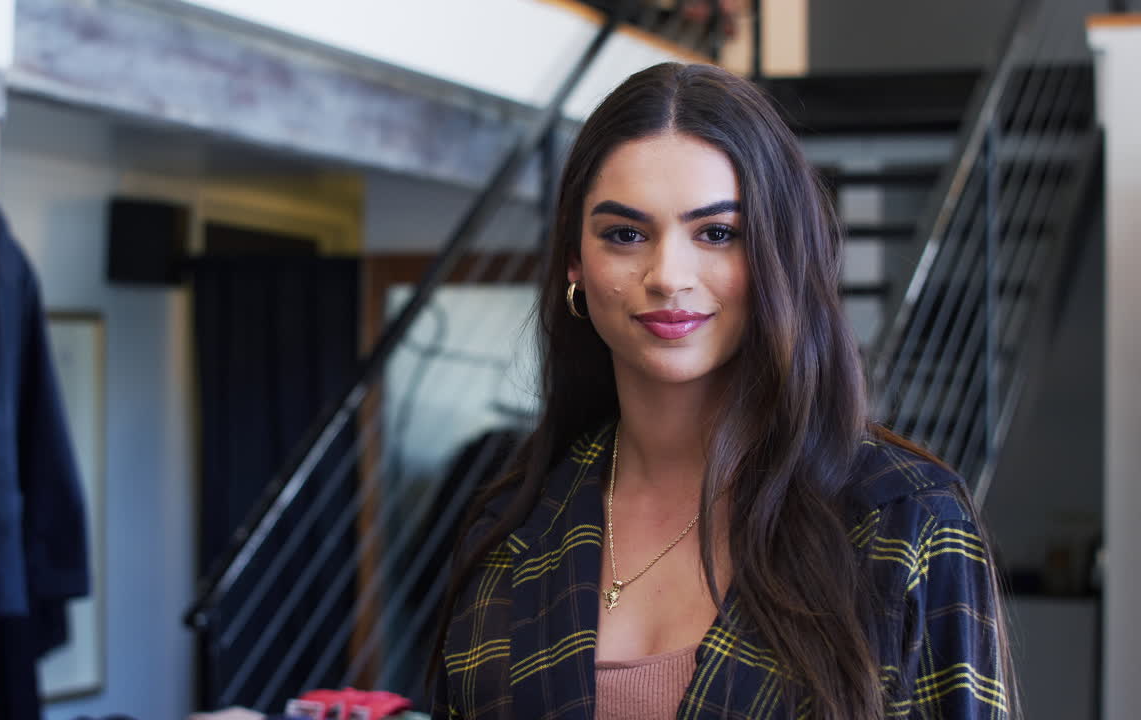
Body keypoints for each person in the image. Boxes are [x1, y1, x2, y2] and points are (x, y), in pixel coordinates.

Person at [429, 63, 1015, 720]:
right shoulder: (517, 522)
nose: (667, 276)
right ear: (575, 261)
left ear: (778, 253)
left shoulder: (905, 519)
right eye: (625, 234)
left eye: (716, 234)